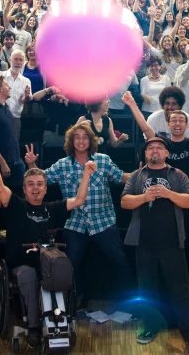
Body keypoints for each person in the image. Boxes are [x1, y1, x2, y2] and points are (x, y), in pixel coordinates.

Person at [125, 89, 189, 322]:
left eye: (182, 120)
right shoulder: (162, 147)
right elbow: (145, 129)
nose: (178, 123)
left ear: (186, 124)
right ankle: (167, 310)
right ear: (168, 124)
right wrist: (131, 104)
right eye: (174, 120)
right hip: (165, 214)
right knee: (168, 264)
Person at [0, 146, 92, 349]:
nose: (35, 188)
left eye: (39, 185)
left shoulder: (53, 208)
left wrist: (86, 173)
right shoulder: (16, 204)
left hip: (48, 260)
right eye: (30, 185)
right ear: (24, 189)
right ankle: (34, 326)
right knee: (29, 276)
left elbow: (79, 200)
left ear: (45, 188)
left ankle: (60, 321)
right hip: (22, 262)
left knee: (62, 269)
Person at [23, 122, 132, 305]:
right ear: (71, 141)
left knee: (119, 260)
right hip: (75, 222)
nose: (81, 141)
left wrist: (143, 173)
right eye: (77, 137)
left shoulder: (103, 160)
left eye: (85, 137)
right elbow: (39, 180)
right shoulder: (63, 164)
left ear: (91, 140)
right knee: (70, 264)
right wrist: (31, 163)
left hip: (103, 220)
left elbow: (121, 177)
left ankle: (130, 298)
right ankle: (76, 300)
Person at [121, 137, 189, 351]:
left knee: (181, 290)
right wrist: (144, 196)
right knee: (147, 289)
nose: (154, 151)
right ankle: (150, 327)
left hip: (173, 242)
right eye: (150, 148)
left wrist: (168, 194)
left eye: (159, 147)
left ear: (167, 153)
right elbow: (124, 202)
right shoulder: (137, 176)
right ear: (145, 154)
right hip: (144, 243)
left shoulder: (178, 175)